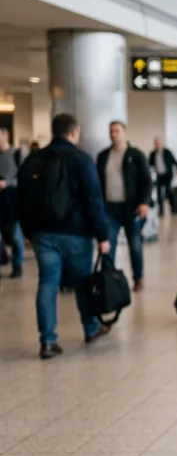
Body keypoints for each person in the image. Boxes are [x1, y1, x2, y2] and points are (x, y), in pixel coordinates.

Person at [17, 114, 112, 359]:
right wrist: (103, 235)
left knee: (47, 284)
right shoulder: (81, 160)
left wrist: (28, 232)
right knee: (83, 283)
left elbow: (22, 200)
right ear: (73, 132)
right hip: (76, 233)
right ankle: (91, 328)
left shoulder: (32, 160)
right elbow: (93, 200)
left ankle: (48, 341)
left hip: (43, 234)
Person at [96, 121, 152, 292]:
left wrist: (144, 202)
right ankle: (108, 279)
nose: (113, 134)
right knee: (108, 244)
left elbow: (146, 181)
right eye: (111, 131)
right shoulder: (103, 156)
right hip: (109, 208)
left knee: (134, 244)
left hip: (131, 208)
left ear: (125, 133)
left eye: (117, 131)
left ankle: (138, 278)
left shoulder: (136, 155)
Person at [0, 128, 25, 278]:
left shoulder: (17, 154)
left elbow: (24, 176)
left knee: (15, 234)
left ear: (6, 135)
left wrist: (7, 182)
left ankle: (17, 264)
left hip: (12, 198)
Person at [149, 137, 177, 216]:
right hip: (159, 176)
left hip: (167, 175)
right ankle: (161, 211)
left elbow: (174, 161)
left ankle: (173, 209)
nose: (157, 145)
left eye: (158, 143)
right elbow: (149, 164)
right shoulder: (153, 154)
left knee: (169, 191)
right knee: (159, 194)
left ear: (161, 143)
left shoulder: (167, 152)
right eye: (156, 143)